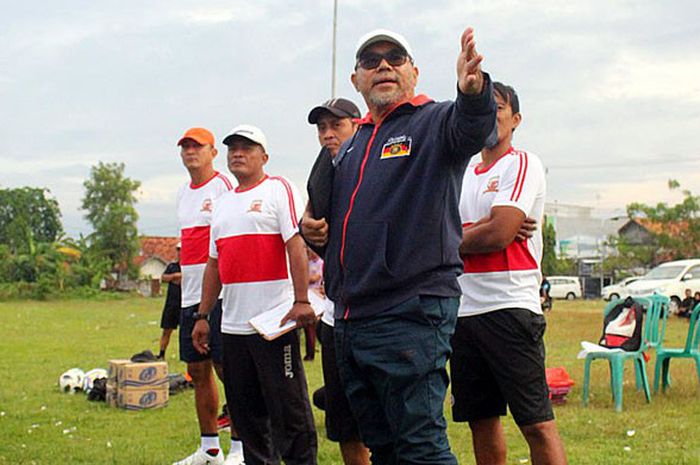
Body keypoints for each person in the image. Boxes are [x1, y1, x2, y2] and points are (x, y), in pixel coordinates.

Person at [302, 28, 496, 464]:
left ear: (414, 71)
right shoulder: (351, 146)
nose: (383, 65)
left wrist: (474, 92)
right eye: (371, 60)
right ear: (356, 81)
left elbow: (472, 128)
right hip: (352, 317)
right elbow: (332, 222)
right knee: (384, 446)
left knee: (420, 446)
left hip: (409, 312)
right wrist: (311, 229)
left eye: (395, 57)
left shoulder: (433, 122)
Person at [451, 82, 567, 465]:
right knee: (481, 421)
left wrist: (456, 236)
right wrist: (477, 230)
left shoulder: (521, 163)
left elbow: (500, 233)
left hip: (509, 306)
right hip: (463, 311)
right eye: (482, 107)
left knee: (535, 423)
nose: (490, 115)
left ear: (515, 119)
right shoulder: (463, 172)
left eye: (498, 107)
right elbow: (441, 229)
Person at [193, 125, 318, 465]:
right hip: (233, 327)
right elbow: (214, 264)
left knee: (290, 414)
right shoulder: (221, 204)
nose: (238, 153)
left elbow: (296, 244)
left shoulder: (280, 189)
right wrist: (203, 316)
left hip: (273, 323)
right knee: (247, 418)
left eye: (247, 147)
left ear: (264, 156)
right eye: (233, 147)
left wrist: (301, 300)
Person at [172, 127, 243, 465]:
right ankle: (210, 448)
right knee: (198, 371)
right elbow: (188, 247)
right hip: (190, 296)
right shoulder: (182, 194)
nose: (190, 152)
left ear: (213, 152)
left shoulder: (224, 187)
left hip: (220, 294)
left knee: (228, 367)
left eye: (197, 146)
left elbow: (229, 239)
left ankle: (241, 448)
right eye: (185, 147)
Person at [307, 98, 370, 465]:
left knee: (389, 422)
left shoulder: (374, 163)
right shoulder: (323, 167)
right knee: (345, 422)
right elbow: (312, 219)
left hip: (378, 310)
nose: (328, 134)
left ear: (357, 125)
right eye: (321, 128)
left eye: (337, 126)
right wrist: (306, 224)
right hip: (335, 311)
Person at [158, 242, 182, 360]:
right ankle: (161, 354)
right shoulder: (172, 267)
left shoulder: (190, 267)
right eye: (178, 250)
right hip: (172, 304)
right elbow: (163, 277)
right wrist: (174, 276)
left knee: (185, 333)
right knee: (166, 331)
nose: (180, 252)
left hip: (185, 305)